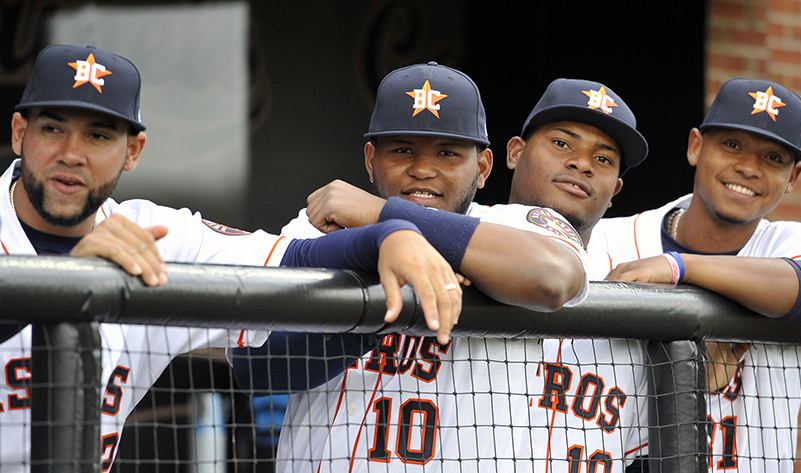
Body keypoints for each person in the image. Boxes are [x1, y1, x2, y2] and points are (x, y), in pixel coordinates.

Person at [0, 44, 462, 473]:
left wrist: (387, 235)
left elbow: (295, 258)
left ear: (132, 152)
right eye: (53, 128)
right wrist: (68, 279)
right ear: (21, 133)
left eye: (98, 135)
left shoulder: (155, 237)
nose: (71, 154)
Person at [234, 69, 653, 471]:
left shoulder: (517, 228)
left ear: (484, 167)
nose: (422, 169)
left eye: (448, 153)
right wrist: (383, 258)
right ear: (370, 159)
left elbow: (551, 277)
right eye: (402, 150)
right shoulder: (322, 224)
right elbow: (257, 369)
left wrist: (384, 215)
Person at [589, 78, 801, 472]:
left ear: (794, 178)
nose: (748, 168)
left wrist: (680, 266)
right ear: (696, 146)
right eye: (731, 145)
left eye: (773, 158)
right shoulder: (609, 239)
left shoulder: (792, 242)